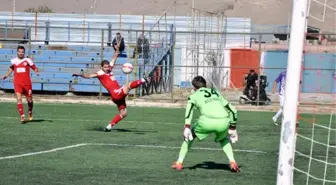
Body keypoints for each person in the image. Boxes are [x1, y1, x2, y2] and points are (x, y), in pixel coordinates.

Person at [171, 76, 240, 172]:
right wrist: (233, 127)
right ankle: (232, 161)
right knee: (223, 139)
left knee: (189, 136)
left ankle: (179, 162)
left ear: (194, 88)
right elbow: (233, 110)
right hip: (224, 121)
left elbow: (189, 112)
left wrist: (187, 126)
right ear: (205, 85)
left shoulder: (193, 96)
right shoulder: (215, 92)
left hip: (207, 121)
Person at [72, 53, 147, 131]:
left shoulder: (109, 69)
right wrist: (80, 75)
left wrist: (117, 50)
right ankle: (143, 80)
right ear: (102, 67)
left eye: (108, 66)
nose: (107, 68)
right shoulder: (100, 73)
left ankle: (108, 127)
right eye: (105, 67)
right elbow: (89, 76)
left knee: (124, 114)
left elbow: (114, 59)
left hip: (117, 94)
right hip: (115, 94)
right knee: (128, 86)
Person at [1, 45, 39, 123]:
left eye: (22, 52)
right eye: (19, 52)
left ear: (24, 52)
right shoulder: (13, 60)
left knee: (29, 100)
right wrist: (6, 75)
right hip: (17, 83)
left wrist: (36, 71)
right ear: (17, 52)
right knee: (18, 98)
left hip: (27, 83)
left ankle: (30, 111)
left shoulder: (28, 60)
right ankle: (22, 115)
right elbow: (11, 68)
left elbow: (34, 67)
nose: (21, 53)